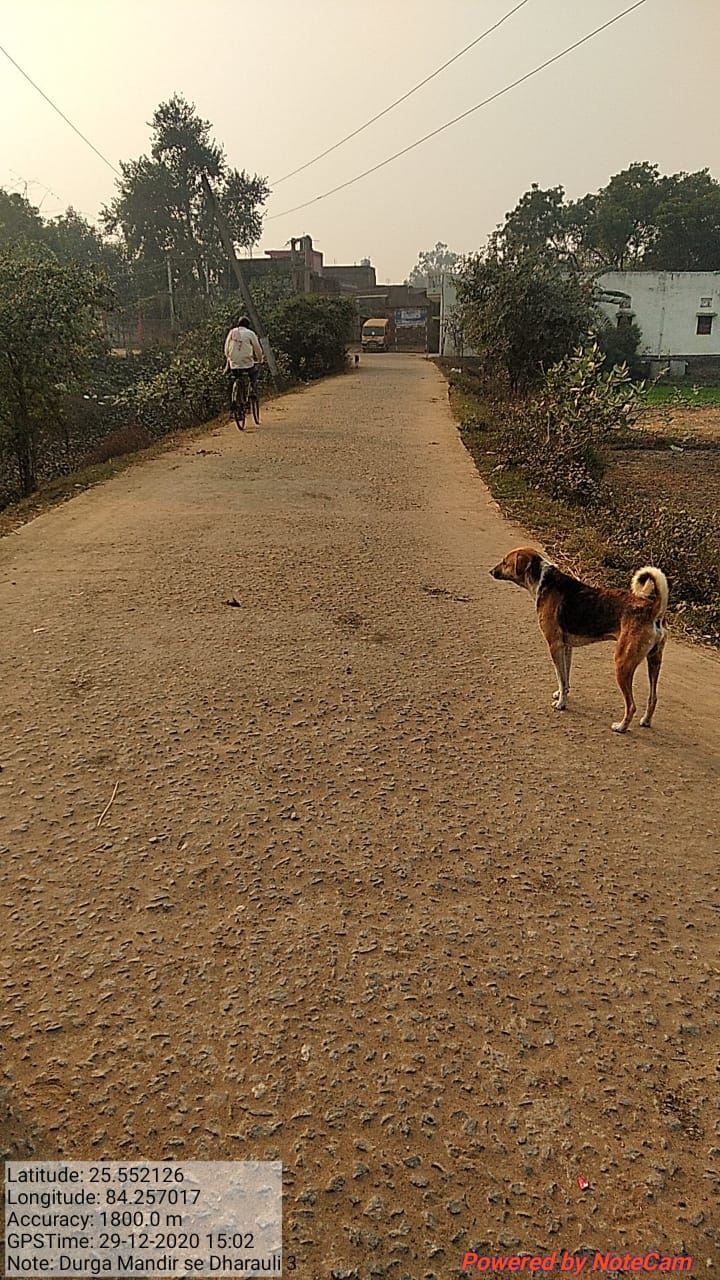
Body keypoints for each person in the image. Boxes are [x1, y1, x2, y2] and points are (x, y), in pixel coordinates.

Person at [224, 316, 264, 406]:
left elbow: (226, 349)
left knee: (237, 377)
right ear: (248, 325)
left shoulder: (232, 332)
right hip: (247, 363)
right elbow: (257, 348)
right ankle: (252, 390)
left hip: (234, 364)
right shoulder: (250, 333)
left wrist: (230, 358)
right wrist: (260, 359)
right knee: (253, 374)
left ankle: (235, 398)